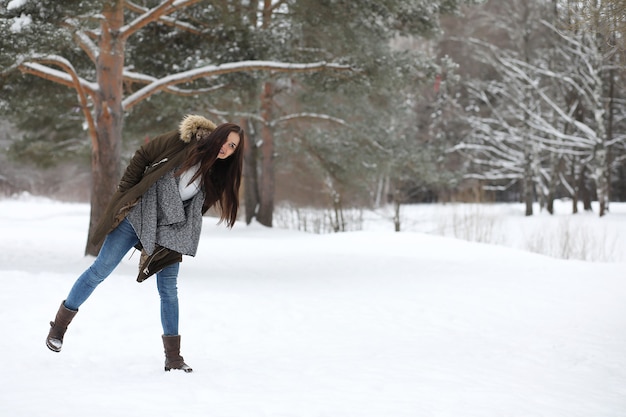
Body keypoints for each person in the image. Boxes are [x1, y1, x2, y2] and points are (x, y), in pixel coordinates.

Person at [45, 115, 245, 373]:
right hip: (140, 213)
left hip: (170, 230)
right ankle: (59, 327)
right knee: (100, 270)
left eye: (233, 147)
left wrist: (174, 225)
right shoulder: (182, 141)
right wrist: (128, 190)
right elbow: (143, 155)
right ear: (216, 135)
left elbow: (197, 209)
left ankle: (173, 358)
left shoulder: (217, 175)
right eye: (226, 142)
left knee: (169, 289)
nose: (226, 149)